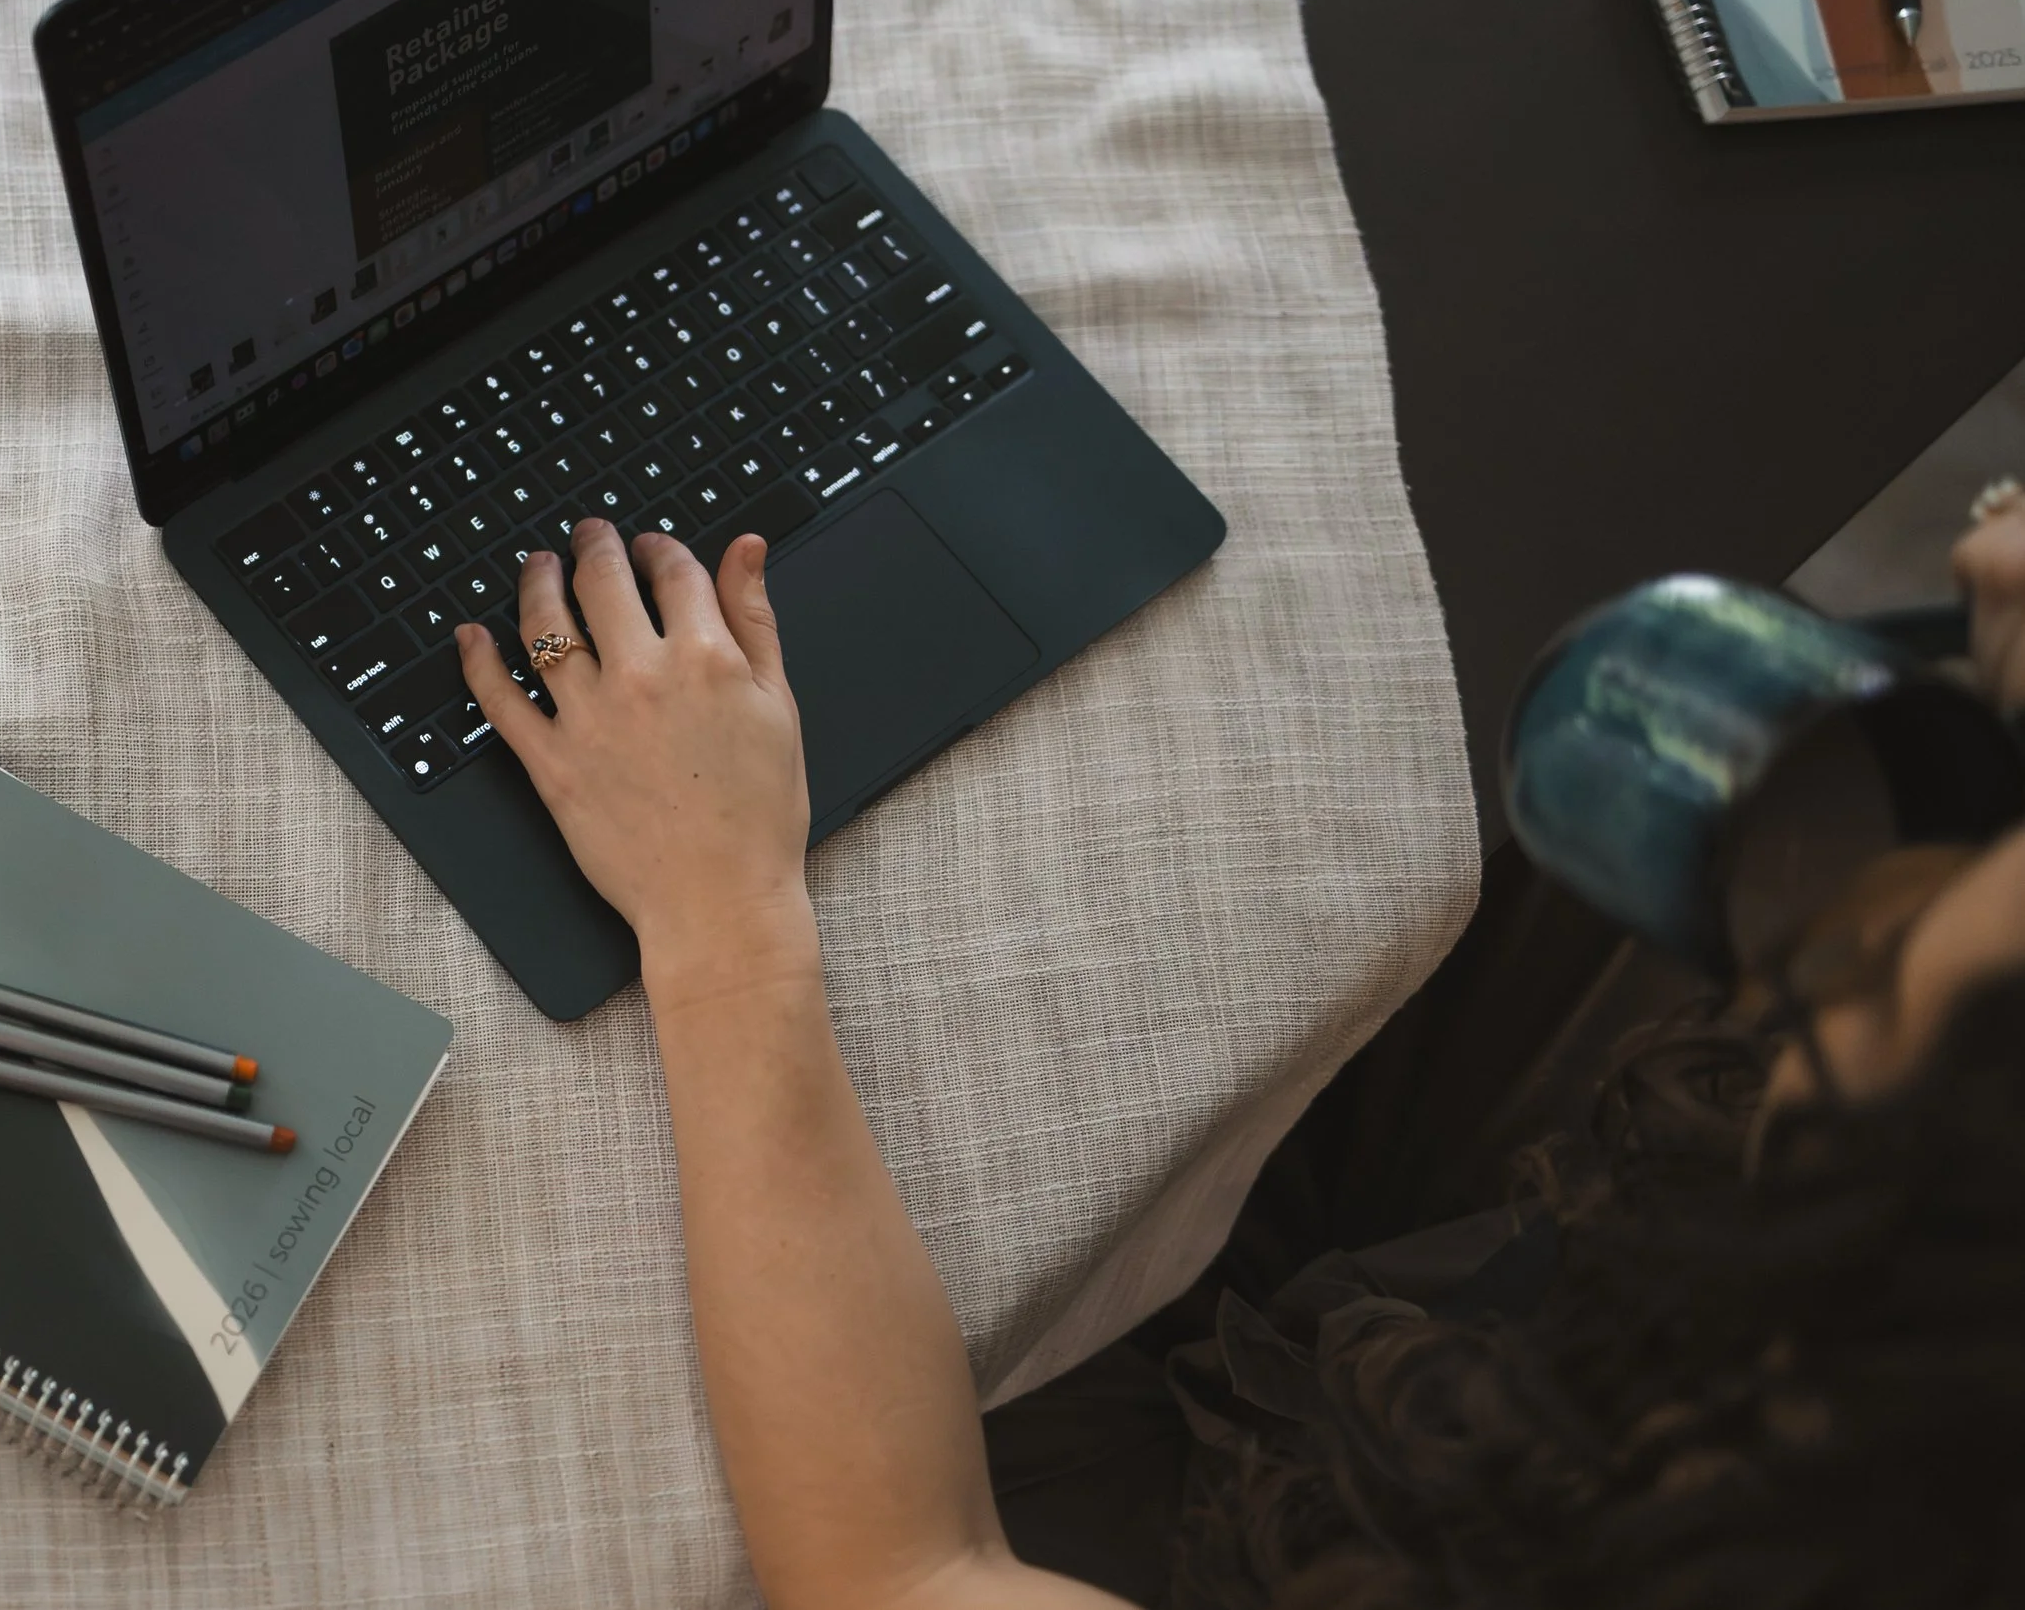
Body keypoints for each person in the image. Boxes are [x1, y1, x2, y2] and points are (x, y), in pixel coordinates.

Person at [450, 487, 2025, 1610]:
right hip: (1532, 1321)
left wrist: (721, 912)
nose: (1988, 543)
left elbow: (900, 1566)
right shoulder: (1898, 1320)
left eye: (1870, 979)